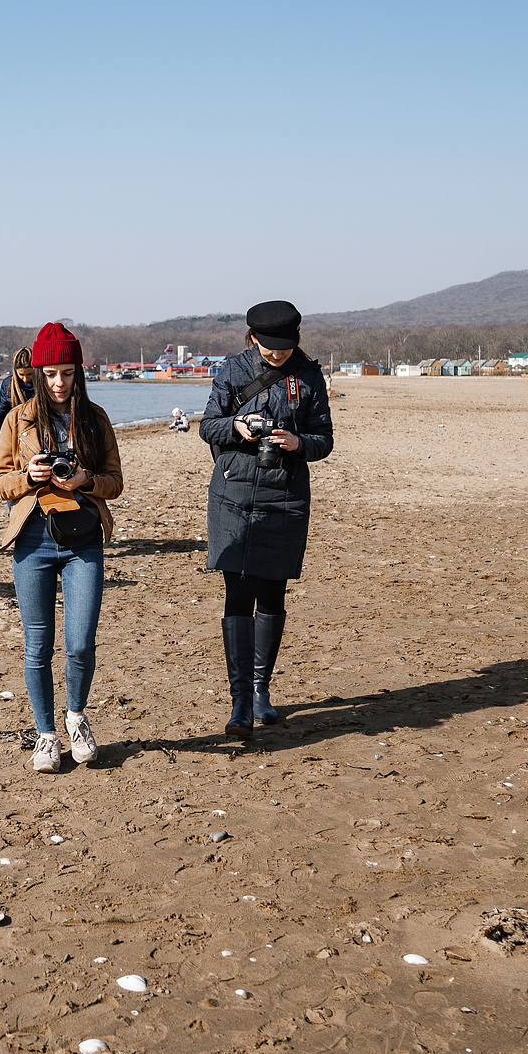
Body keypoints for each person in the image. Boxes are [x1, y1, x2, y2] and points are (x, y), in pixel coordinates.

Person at [198, 301, 335, 737]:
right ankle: (239, 701)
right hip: (232, 496)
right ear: (252, 337)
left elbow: (325, 440)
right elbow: (207, 426)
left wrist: (297, 442)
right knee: (237, 595)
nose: (277, 355)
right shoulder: (234, 370)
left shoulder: (309, 375)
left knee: (273, 595)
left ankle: (261, 691)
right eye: (269, 347)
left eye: (285, 347)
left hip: (285, 498)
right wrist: (236, 427)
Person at [0, 323, 124, 772]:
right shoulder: (18, 420)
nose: (58, 383)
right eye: (49, 373)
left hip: (83, 539)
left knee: (81, 642)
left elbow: (116, 483)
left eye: (66, 373)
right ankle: (46, 735)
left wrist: (85, 480)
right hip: (32, 538)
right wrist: (27, 477)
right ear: (35, 372)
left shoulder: (95, 418)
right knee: (37, 644)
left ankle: (76, 716)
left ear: (78, 372)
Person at [0, 345, 34, 443]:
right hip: (16, 436)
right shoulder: (7, 385)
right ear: (15, 372)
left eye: (29, 374)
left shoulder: (45, 384)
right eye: (21, 375)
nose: (25, 379)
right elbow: (1, 416)